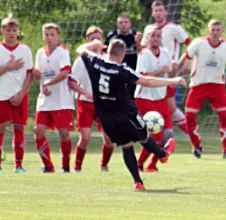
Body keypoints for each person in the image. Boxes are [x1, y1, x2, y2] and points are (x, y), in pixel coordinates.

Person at [79, 38, 185, 191]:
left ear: (107, 51)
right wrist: (171, 81)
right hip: (126, 113)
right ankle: (162, 155)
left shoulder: (95, 62)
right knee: (144, 137)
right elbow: (146, 81)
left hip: (106, 117)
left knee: (126, 145)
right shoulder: (122, 70)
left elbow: (81, 48)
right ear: (122, 55)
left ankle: (138, 183)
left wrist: (95, 44)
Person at [177, 19, 226, 159]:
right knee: (189, 115)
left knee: (224, 116)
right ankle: (197, 147)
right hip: (198, 85)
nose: (215, 33)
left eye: (218, 30)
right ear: (208, 31)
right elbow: (185, 57)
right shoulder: (199, 43)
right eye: (213, 30)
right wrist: (176, 73)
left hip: (217, 86)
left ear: (222, 31)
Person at [0, 18, 34, 174]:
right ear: (2, 31)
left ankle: (18, 166)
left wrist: (22, 94)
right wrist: (8, 67)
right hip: (1, 95)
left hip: (19, 96)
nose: (12, 33)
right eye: (8, 30)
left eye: (14, 30)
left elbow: (30, 74)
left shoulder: (25, 50)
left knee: (19, 130)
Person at [141, 0, 191, 142]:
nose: (158, 13)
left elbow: (189, 44)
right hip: (152, 73)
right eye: (155, 10)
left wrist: (185, 61)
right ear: (152, 13)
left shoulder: (174, 28)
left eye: (160, 10)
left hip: (168, 73)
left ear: (165, 12)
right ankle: (187, 133)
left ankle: (190, 133)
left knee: (170, 106)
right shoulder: (148, 29)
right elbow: (143, 50)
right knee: (166, 106)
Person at [70, 26, 115, 173]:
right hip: (85, 103)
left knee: (109, 140)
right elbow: (72, 82)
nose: (96, 42)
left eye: (99, 38)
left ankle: (104, 165)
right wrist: (85, 92)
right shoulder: (81, 60)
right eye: (93, 39)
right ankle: (77, 168)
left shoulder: (107, 59)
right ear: (87, 40)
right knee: (85, 138)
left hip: (104, 104)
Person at [33, 23, 75, 173]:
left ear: (58, 36)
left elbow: (64, 74)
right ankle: (48, 166)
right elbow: (38, 72)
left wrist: (47, 83)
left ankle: (65, 166)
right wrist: (36, 73)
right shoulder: (39, 53)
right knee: (38, 131)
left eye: (52, 34)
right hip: (45, 101)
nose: (49, 37)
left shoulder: (62, 51)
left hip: (62, 101)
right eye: (46, 34)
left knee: (64, 133)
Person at [134, 27, 175, 172]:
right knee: (154, 134)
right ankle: (139, 164)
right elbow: (141, 78)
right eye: (153, 36)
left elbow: (169, 72)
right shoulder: (144, 54)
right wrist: (159, 71)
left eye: (158, 35)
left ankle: (152, 164)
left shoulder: (165, 53)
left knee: (169, 134)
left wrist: (172, 85)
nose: (156, 38)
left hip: (161, 98)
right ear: (147, 38)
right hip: (145, 98)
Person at [105, 13, 142, 97]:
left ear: (130, 23)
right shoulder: (112, 36)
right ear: (117, 24)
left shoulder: (136, 35)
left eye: (125, 22)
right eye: (120, 22)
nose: (123, 25)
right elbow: (105, 53)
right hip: (116, 72)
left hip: (133, 71)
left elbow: (142, 53)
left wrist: (138, 43)